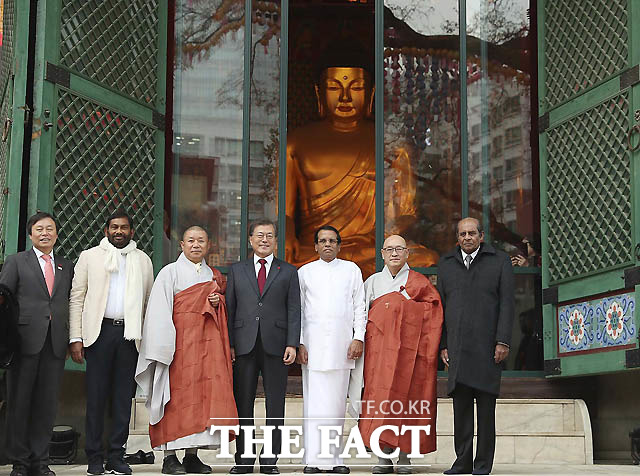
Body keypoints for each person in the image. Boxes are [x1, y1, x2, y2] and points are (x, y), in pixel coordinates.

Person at [285, 49, 438, 276]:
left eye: (356, 87)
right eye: (334, 87)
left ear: (371, 93)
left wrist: (391, 230)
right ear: (319, 93)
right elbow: (284, 212)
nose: (345, 97)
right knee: (280, 258)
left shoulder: (390, 143)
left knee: (426, 258)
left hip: (370, 248)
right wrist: (287, 237)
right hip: (317, 248)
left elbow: (406, 210)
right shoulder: (296, 142)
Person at [135, 226, 237, 475]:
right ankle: (170, 457)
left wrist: (218, 302)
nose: (195, 245)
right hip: (177, 347)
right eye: (190, 240)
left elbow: (221, 307)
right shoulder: (169, 273)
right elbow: (158, 312)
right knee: (174, 398)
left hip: (206, 349)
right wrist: (162, 348)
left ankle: (192, 456)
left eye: (201, 240)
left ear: (208, 245)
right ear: (181, 245)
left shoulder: (213, 275)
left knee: (202, 400)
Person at [69, 209, 154, 475]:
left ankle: (117, 455)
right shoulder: (90, 257)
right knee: (96, 398)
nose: (119, 231)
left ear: (132, 231)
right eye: (114, 227)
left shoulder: (143, 260)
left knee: (122, 399)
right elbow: (77, 298)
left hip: (130, 336)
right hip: (99, 334)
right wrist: (76, 337)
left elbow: (149, 302)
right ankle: (94, 456)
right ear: (106, 230)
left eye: (124, 227)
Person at [358, 235, 443, 474]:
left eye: (399, 249)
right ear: (382, 254)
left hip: (410, 353)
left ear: (407, 254)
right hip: (379, 353)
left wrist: (405, 307)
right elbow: (361, 316)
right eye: (389, 249)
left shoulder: (420, 282)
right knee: (379, 401)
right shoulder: (372, 282)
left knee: (408, 400)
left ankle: (405, 456)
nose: (394, 253)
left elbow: (433, 310)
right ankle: (382, 456)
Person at [438, 218, 514, 475]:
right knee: (461, 411)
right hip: (458, 349)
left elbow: (507, 304)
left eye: (472, 233)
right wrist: (444, 344)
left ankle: (482, 465)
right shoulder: (447, 264)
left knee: (485, 411)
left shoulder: (499, 260)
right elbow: (441, 308)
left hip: (487, 348)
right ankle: (461, 463)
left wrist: (503, 341)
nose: (467, 237)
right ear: (457, 237)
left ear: (481, 236)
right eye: (462, 234)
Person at [0, 212, 74, 476]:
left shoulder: (66, 265)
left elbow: (68, 302)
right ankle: (20, 462)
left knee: (46, 405)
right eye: (40, 229)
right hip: (23, 343)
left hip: (54, 344)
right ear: (31, 234)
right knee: (20, 403)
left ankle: (40, 462)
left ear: (56, 234)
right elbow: (4, 300)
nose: (45, 233)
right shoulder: (16, 262)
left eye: (50, 229)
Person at [226, 219, 301, 475]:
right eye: (259, 235)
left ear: (275, 240)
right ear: (250, 240)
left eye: (269, 235)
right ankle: (244, 460)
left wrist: (292, 342)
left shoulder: (289, 271)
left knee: (275, 405)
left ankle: (270, 460)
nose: (264, 240)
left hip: (277, 345)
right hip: (244, 345)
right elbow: (230, 308)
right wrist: (231, 344)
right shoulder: (237, 270)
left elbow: (294, 310)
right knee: (243, 404)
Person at [297, 225, 366, 474]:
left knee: (336, 406)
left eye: (332, 241)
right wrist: (300, 342)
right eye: (322, 241)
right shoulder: (304, 272)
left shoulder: (351, 270)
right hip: (313, 348)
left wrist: (358, 338)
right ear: (315, 245)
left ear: (339, 245)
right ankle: (313, 461)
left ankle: (335, 459)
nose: (327, 245)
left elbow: (360, 306)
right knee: (314, 406)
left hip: (342, 346)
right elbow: (300, 312)